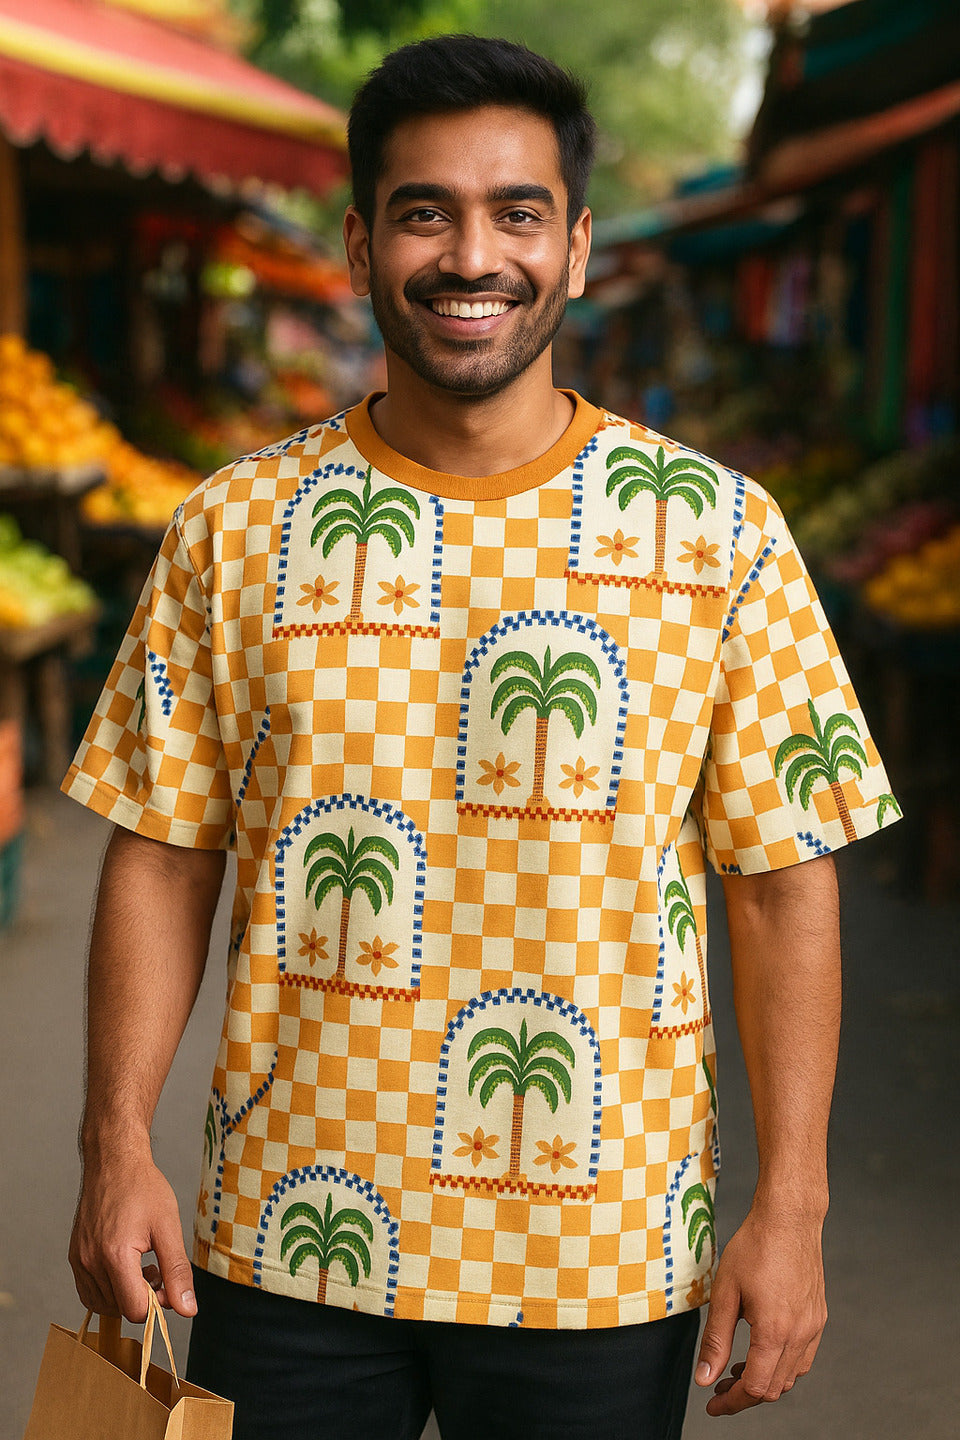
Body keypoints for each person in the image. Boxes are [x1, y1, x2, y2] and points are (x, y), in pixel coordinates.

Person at [63, 35, 899, 1440]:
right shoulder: (232, 527)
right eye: (424, 212)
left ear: (576, 247)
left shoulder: (719, 534)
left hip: (604, 1259)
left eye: (518, 212)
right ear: (360, 242)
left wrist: (794, 1209)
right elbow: (161, 854)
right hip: (284, 1238)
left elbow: (781, 883)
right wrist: (113, 1146)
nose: (472, 256)